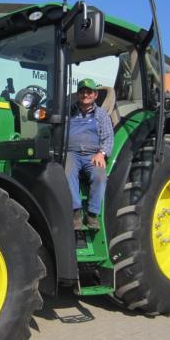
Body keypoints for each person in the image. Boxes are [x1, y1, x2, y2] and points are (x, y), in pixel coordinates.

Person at [65, 78, 114, 229]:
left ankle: (92, 214)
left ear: (95, 95)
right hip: (72, 153)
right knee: (67, 173)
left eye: (89, 92)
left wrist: (101, 153)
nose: (85, 95)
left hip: (93, 155)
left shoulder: (101, 115)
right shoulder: (69, 112)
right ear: (78, 94)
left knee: (100, 176)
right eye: (82, 92)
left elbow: (108, 138)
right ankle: (76, 211)